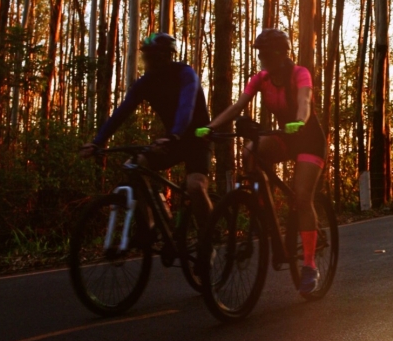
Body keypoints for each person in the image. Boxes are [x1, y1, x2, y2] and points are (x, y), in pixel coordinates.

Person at [196, 28, 326, 295]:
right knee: (249, 152)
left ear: (280, 54)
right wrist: (211, 126)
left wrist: (299, 122)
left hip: (308, 138)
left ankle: (310, 265)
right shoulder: (261, 79)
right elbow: (237, 106)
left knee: (302, 197)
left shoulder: (299, 73)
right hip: (284, 136)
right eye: (260, 54)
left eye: (266, 54)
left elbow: (305, 102)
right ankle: (262, 206)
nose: (262, 59)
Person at [80, 32, 213, 220]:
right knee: (132, 167)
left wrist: (174, 134)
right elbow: (121, 112)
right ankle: (151, 225)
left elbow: (187, 106)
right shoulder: (146, 82)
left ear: (166, 56)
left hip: (197, 140)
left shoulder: (185, 74)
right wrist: (97, 142)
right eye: (146, 56)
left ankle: (208, 238)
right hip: (172, 141)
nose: (148, 60)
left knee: (195, 186)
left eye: (153, 56)